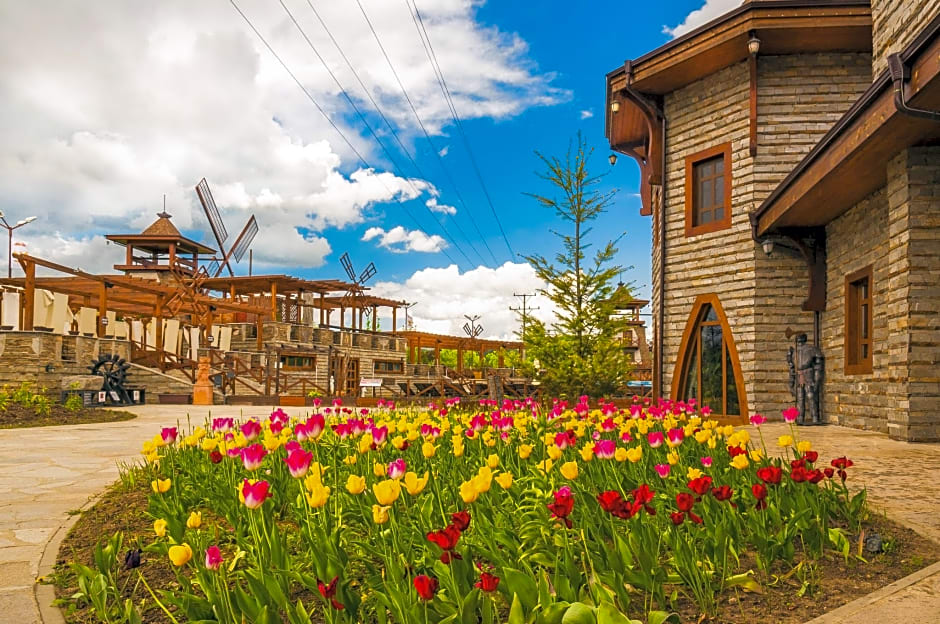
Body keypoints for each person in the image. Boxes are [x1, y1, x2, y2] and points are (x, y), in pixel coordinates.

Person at [787, 333, 824, 425]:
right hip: (799, 375)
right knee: (800, 397)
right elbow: (792, 368)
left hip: (808, 374)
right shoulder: (793, 352)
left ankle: (815, 417)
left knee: (810, 395)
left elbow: (818, 366)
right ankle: (800, 418)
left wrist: (816, 380)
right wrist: (791, 382)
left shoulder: (812, 349)